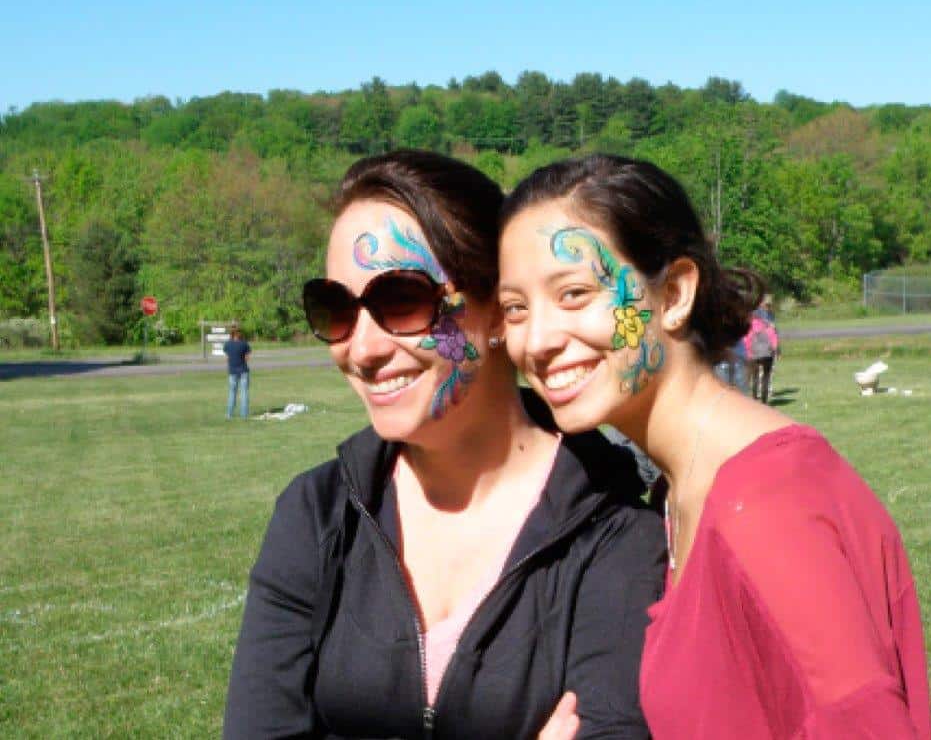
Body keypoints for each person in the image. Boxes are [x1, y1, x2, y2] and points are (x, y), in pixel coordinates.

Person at [224, 151, 665, 739]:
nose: (362, 349)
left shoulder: (612, 533)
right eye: (335, 309)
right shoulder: (318, 516)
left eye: (401, 300)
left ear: (498, 310)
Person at [497, 154, 931, 739]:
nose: (537, 341)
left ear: (675, 294)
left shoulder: (769, 504)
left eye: (574, 293)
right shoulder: (679, 487)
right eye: (516, 308)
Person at [743, 301, 779, 403]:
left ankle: (754, 397)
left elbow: (746, 341)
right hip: (767, 354)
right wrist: (775, 350)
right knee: (766, 377)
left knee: (755, 376)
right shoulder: (767, 325)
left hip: (753, 355)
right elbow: (773, 338)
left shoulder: (749, 327)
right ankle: (764, 400)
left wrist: (747, 353)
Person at [223, 328, 251, 419]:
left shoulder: (227, 344)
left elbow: (227, 358)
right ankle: (244, 415)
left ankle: (229, 414)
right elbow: (247, 358)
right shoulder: (244, 344)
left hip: (232, 371)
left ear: (232, 334)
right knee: (244, 393)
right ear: (240, 334)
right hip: (243, 370)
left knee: (232, 393)